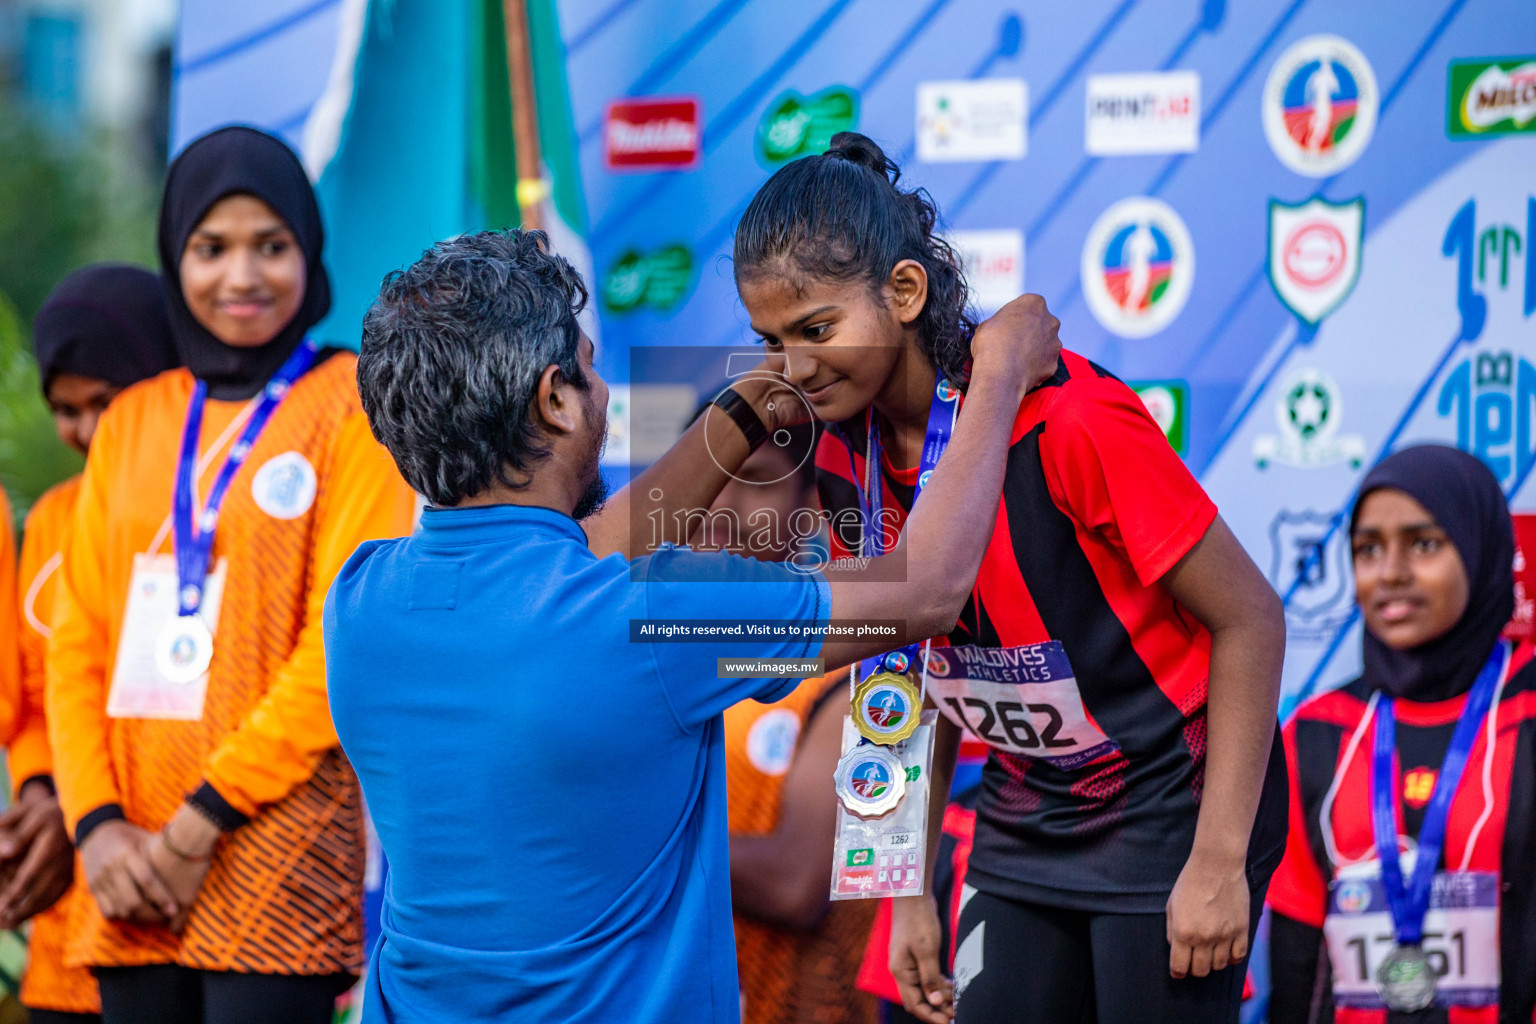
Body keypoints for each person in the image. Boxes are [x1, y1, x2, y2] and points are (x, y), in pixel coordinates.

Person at [325, 228, 1063, 1024]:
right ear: (553, 398)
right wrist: (998, 376)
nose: (604, 392)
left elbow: (576, 556)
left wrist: (747, 409)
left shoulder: (362, 599)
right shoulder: (649, 616)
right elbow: (925, 591)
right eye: (591, 367)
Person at [732, 132, 1289, 1024]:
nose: (793, 368)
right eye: (770, 340)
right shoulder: (840, 451)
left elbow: (1252, 619)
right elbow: (902, 664)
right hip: (1028, 811)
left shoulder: (1071, 420)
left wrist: (1220, 861)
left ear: (905, 293)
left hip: (1172, 807)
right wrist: (903, 886)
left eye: (817, 329)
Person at [45, 126, 416, 1023]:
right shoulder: (135, 418)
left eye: (271, 246)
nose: (241, 277)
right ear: (176, 257)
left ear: (309, 252)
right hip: (126, 857)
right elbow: (78, 640)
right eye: (211, 249)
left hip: (274, 849)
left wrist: (200, 821)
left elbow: (343, 633)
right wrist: (94, 827)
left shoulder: (354, 405)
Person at [1267, 444, 1536, 1024]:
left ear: (1480, 548)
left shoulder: (1529, 712)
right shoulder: (1317, 731)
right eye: (1368, 549)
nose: (1390, 573)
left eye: (1423, 544)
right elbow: (1297, 960)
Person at [5, 264, 181, 1024]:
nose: (87, 430)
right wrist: (44, 796)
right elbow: (38, 697)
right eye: (64, 410)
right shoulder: (49, 519)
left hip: (168, 885)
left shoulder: (203, 512)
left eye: (106, 402)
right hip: (64, 909)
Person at [689, 413, 877, 1024]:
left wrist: (618, 838)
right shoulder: (651, 644)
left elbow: (798, 882)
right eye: (708, 476)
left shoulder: (856, 667)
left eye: (757, 479)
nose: (722, 503)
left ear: (811, 508)